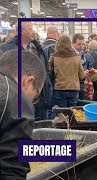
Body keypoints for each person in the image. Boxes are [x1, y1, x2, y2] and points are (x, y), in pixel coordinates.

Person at [0, 50, 46, 179]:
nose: (31, 102)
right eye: (35, 97)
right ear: (28, 82)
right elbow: (11, 170)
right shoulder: (15, 100)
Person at [0, 22, 51, 121]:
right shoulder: (6, 48)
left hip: (40, 100)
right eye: (30, 29)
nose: (33, 32)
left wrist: (48, 94)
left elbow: (45, 73)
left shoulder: (39, 49)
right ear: (21, 31)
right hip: (16, 101)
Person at [49, 36, 86, 108]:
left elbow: (49, 73)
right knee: (72, 114)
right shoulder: (77, 57)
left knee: (61, 114)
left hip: (59, 89)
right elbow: (81, 76)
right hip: (74, 89)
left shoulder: (53, 57)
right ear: (70, 44)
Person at [72, 34, 86, 102]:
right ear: (73, 43)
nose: (81, 46)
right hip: (74, 84)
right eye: (79, 44)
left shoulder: (82, 54)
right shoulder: (71, 55)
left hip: (82, 82)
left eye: (83, 44)